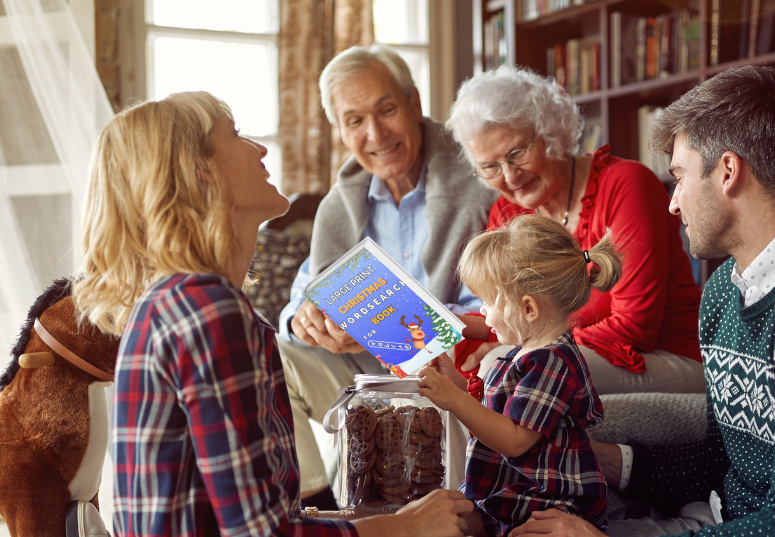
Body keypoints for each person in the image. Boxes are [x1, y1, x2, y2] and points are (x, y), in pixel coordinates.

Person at [510, 66, 775, 537]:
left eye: (680, 177)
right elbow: (721, 460)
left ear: (728, 172)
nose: (673, 203)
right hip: (720, 517)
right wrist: (603, 459)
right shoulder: (725, 288)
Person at [72, 92, 474, 537]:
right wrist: (407, 527)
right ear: (200, 172)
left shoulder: (180, 300)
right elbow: (263, 535)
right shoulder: (209, 311)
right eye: (236, 136)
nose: (260, 149)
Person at [275, 45, 498, 506]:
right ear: (341, 130)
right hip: (363, 376)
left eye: (387, 109)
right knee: (271, 355)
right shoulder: (343, 202)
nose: (375, 133)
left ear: (415, 104)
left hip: (450, 368)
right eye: (355, 120)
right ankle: (319, 509)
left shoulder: (478, 181)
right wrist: (302, 316)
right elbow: (309, 287)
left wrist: (389, 331)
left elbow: (504, 303)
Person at [445, 66, 704, 396]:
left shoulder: (626, 185)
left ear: (550, 132)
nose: (509, 177)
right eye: (490, 166)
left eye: (516, 153)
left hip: (664, 359)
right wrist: (457, 330)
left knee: (514, 371)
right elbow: (513, 313)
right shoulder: (509, 212)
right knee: (457, 367)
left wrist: (515, 353)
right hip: (569, 351)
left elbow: (633, 329)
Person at [419, 215, 618, 537]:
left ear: (528, 308)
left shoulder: (554, 362)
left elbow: (513, 440)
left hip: (546, 504)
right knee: (436, 514)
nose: (481, 312)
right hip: (503, 493)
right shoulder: (517, 354)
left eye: (487, 301)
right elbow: (491, 415)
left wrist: (453, 398)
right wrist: (454, 382)